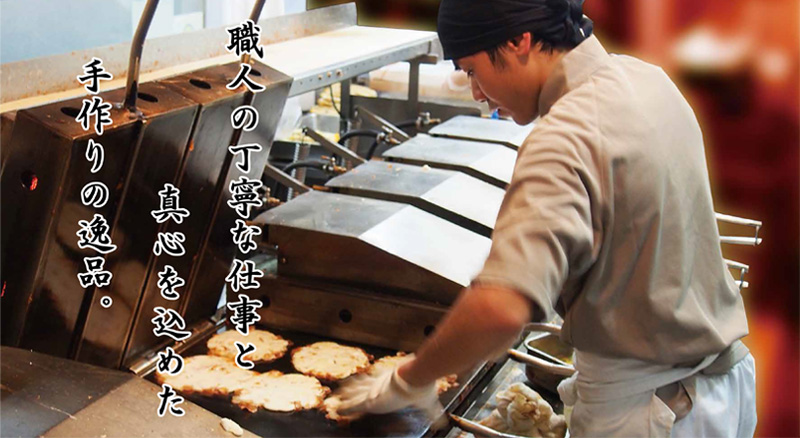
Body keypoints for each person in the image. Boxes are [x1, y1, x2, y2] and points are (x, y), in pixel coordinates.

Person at [335, 0, 757, 435]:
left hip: (653, 412)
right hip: (723, 388)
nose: (476, 92)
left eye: (472, 70)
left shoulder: (564, 136)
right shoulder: (647, 79)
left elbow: (501, 307)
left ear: (520, 41)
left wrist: (410, 379)